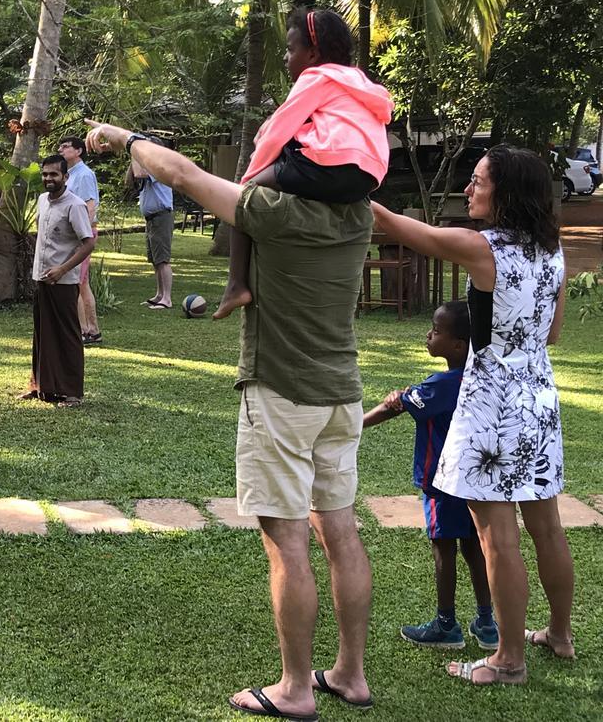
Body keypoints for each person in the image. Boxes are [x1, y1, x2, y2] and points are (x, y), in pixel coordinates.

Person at [85, 119, 374, 719]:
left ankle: (296, 688)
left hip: (281, 396)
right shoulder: (358, 215)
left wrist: (122, 137)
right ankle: (350, 673)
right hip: (342, 397)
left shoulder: (275, 213)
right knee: (341, 533)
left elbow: (184, 175)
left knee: (288, 541)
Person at [371, 145, 573, 686]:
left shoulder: (485, 249)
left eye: (478, 181)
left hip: (493, 406)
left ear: (504, 193)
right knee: (547, 526)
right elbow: (550, 334)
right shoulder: (553, 252)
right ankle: (559, 634)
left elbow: (401, 228)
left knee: (495, 536)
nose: (469, 189)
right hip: (539, 399)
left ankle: (507, 660)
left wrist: (349, 184)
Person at [213, 8, 393, 320]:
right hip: (367, 176)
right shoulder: (360, 84)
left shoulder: (316, 78)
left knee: (243, 198)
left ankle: (235, 284)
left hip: (327, 164)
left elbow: (279, 129)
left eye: (290, 49)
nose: (285, 57)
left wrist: (249, 177)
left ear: (313, 54)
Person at [363, 301, 498, 650]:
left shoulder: (442, 383)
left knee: (443, 547)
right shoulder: (482, 377)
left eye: (437, 331)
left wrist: (355, 424)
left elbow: (397, 407)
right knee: (474, 547)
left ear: (459, 344)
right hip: (476, 480)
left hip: (442, 482)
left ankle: (446, 624)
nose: (429, 334)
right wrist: (407, 394)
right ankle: (487, 623)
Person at [17, 155, 95, 408]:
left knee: (67, 335)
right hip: (41, 277)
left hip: (63, 281)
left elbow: (88, 243)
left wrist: (62, 269)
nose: (48, 179)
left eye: (54, 174)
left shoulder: (75, 205)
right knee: (42, 333)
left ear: (65, 177)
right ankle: (41, 386)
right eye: (45, 174)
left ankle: (72, 392)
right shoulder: (42, 200)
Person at [58, 137, 103, 345]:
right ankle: (91, 330)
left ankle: (85, 330)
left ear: (78, 151)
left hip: (82, 235)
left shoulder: (84, 175)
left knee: (76, 282)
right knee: (82, 283)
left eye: (65, 146)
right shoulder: (70, 175)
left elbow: (89, 206)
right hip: (75, 235)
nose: (60, 149)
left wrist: (82, 235)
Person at [129, 148, 174, 308]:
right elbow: (131, 177)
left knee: (162, 259)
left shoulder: (159, 168)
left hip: (161, 216)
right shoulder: (149, 169)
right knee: (155, 260)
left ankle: (167, 299)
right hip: (152, 219)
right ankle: (159, 294)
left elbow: (138, 173)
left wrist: (134, 150)